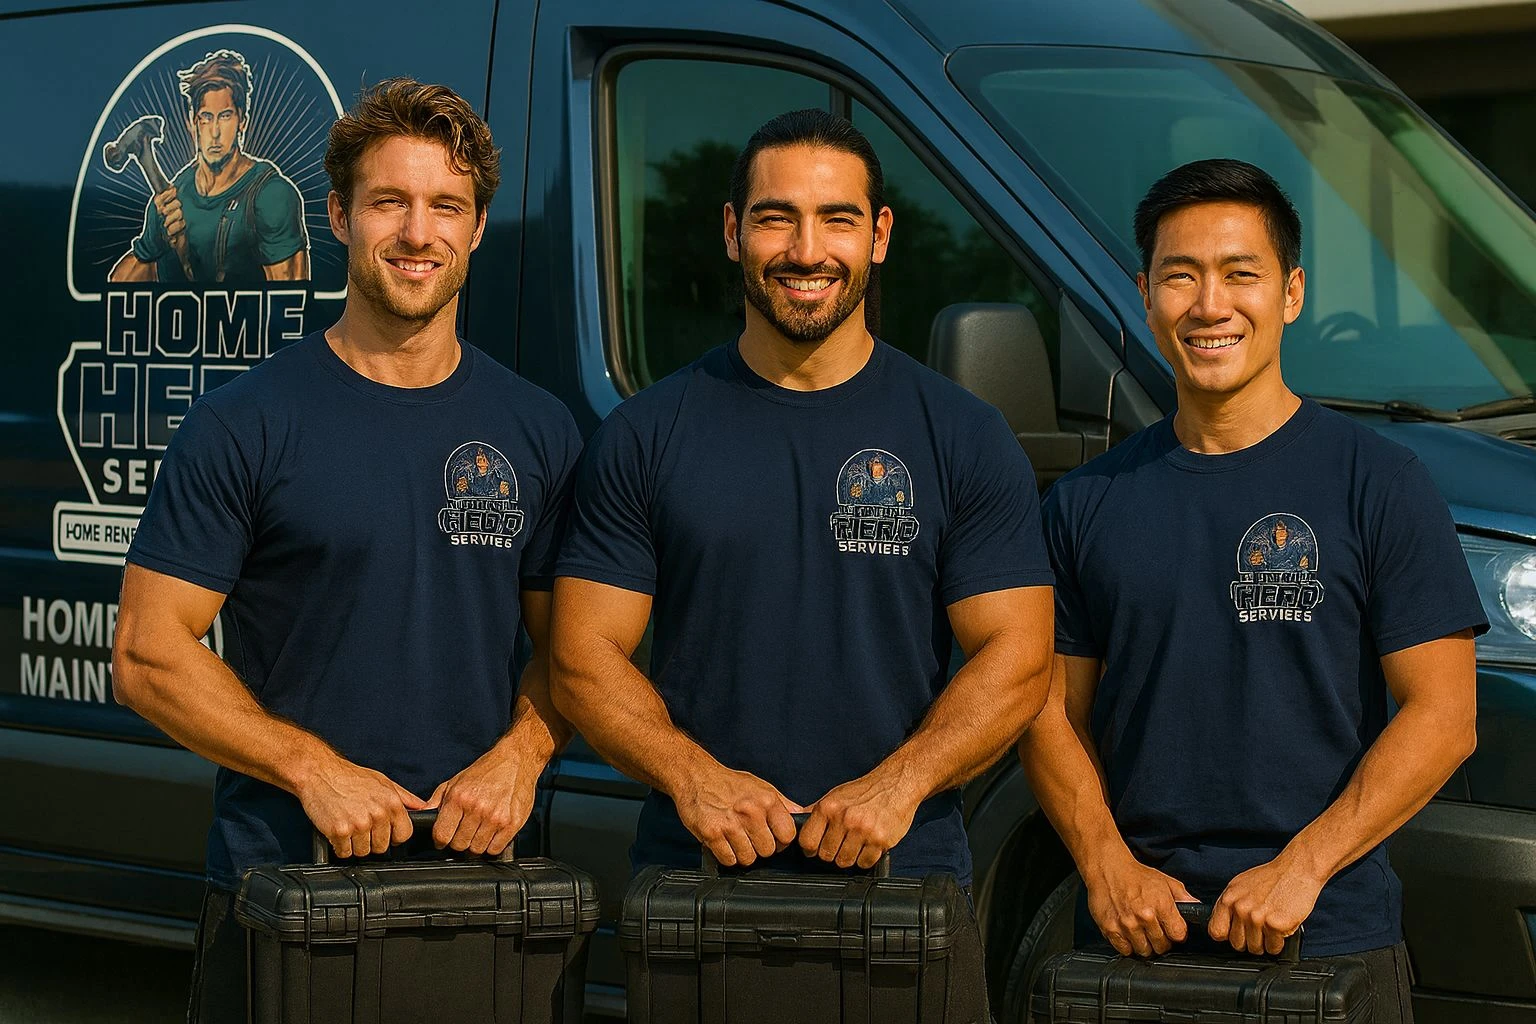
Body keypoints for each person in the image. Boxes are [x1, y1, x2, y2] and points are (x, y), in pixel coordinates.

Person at [111, 78, 580, 1022]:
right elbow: (148, 655)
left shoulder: (540, 432)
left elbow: (578, 655)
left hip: (477, 895)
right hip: (283, 894)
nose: (418, 232)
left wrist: (520, 760)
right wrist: (312, 772)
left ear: (479, 226)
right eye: (388, 203)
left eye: (446, 205)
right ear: (337, 216)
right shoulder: (245, 423)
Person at [1017, 158, 1486, 1023]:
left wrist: (1300, 868)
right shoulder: (1087, 502)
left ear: (1292, 292)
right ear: (1145, 293)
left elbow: (1444, 717)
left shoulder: (1377, 483)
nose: (1209, 305)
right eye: (1180, 276)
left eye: (1241, 274)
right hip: (1136, 941)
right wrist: (1107, 866)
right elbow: (1048, 709)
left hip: (1327, 939)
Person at [550, 108, 1054, 889]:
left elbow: (1019, 656)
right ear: (732, 230)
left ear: (880, 235)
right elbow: (582, 657)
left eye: (837, 220)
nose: (807, 251)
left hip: (903, 880)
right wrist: (693, 778)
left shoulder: (962, 435)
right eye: (776, 219)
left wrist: (900, 785)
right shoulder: (646, 433)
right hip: (700, 879)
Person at [109, 48, 309, 283]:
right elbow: (118, 291)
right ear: (192, 124)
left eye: (225, 116)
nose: (214, 133)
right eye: (206, 118)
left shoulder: (270, 196)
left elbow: (293, 307)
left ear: (242, 121)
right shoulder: (169, 202)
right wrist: (159, 240)